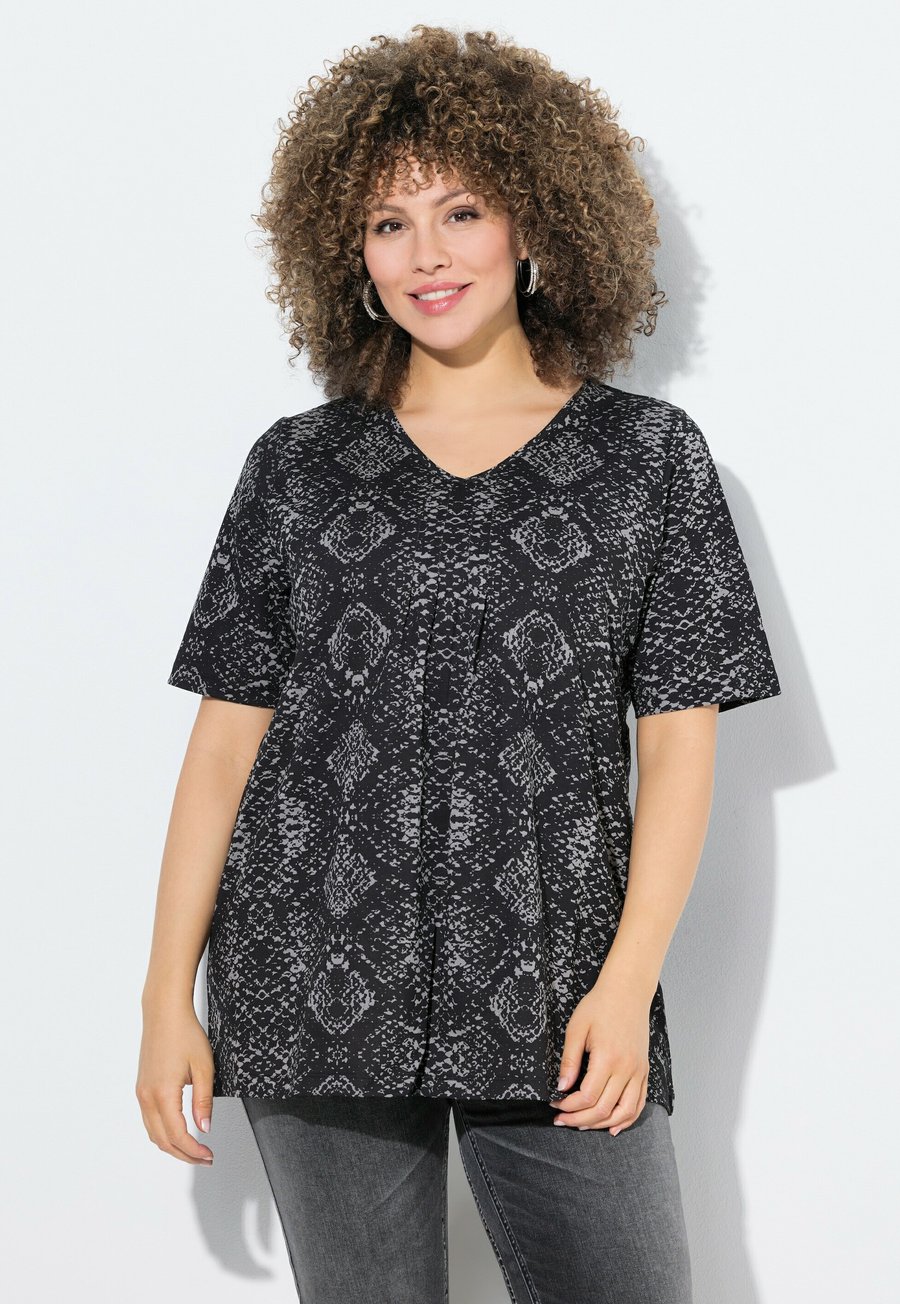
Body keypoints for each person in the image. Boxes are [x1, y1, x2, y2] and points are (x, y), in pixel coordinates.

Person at [137, 24, 781, 1304]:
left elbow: (678, 741)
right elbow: (222, 749)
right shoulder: (297, 466)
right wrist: (165, 998)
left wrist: (628, 982)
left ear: (533, 221)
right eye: (388, 224)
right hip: (311, 972)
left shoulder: (648, 458)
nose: (426, 254)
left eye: (461, 211)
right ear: (350, 252)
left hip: (555, 977)